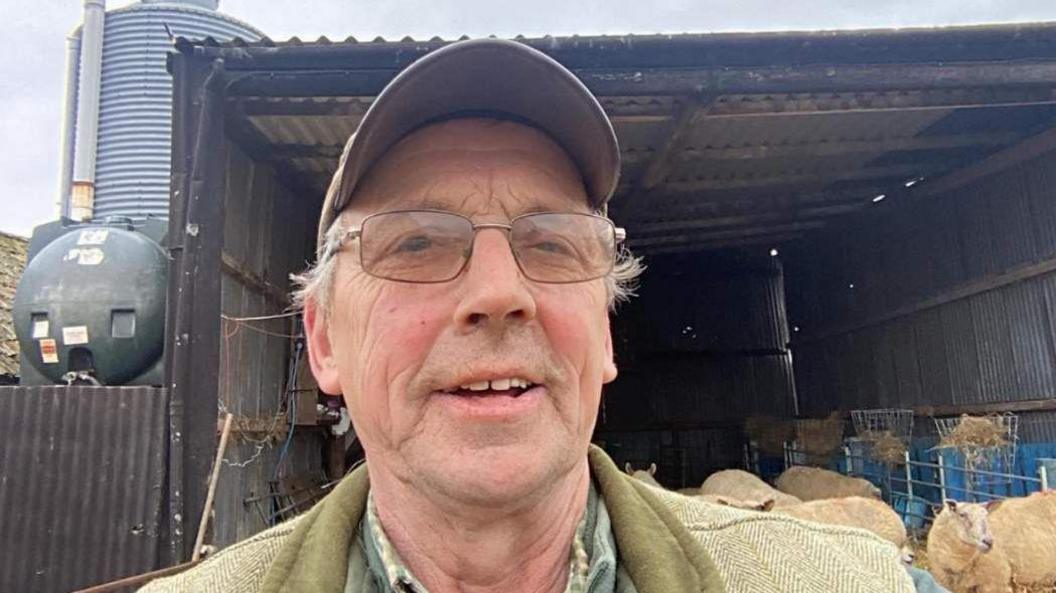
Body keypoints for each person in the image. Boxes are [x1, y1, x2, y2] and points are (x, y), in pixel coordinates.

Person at [143, 38, 940, 593]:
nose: (499, 292)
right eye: (416, 242)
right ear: (323, 338)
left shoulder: (846, 580)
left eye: (553, 244)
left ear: (603, 332)